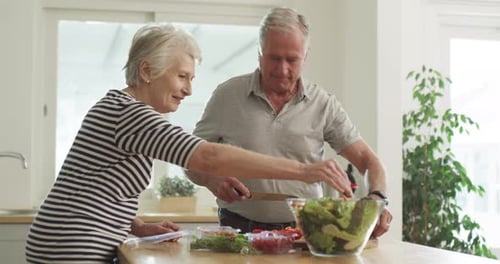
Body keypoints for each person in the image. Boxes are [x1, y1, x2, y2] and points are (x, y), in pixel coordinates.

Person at [24, 23, 355, 263]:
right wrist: (304, 171)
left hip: (68, 243)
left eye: (191, 79)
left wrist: (137, 226)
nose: (188, 90)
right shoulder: (130, 113)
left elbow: (97, 190)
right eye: (181, 76)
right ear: (148, 70)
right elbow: (207, 157)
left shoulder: (119, 109)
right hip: (69, 250)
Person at [188, 7, 393, 236]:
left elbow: (369, 161)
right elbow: (189, 159)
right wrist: (211, 180)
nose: (282, 69)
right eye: (274, 58)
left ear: (305, 57)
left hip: (307, 234)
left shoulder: (323, 104)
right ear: (259, 53)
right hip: (238, 232)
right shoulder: (227, 96)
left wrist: (378, 199)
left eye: (292, 59)